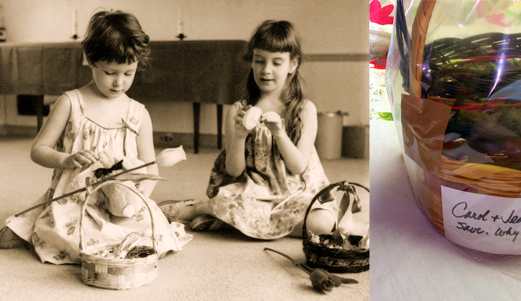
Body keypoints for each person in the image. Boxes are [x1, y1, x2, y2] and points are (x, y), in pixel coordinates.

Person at [0, 10, 192, 263]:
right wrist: (66, 160)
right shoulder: (70, 103)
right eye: (109, 72)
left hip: (121, 205)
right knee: (66, 236)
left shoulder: (138, 114)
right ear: (90, 60)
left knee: (153, 235)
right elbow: (39, 150)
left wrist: (135, 202)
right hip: (75, 201)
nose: (119, 83)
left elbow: (150, 166)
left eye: (128, 73)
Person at [160, 20, 337, 239]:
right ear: (252, 62)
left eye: (277, 62)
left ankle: (230, 221)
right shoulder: (238, 110)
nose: (266, 70)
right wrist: (240, 136)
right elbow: (234, 171)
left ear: (293, 64)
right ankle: (200, 209)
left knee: (322, 223)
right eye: (259, 61)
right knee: (229, 200)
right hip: (255, 191)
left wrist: (280, 134)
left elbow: (298, 166)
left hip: (297, 191)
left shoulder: (304, 109)